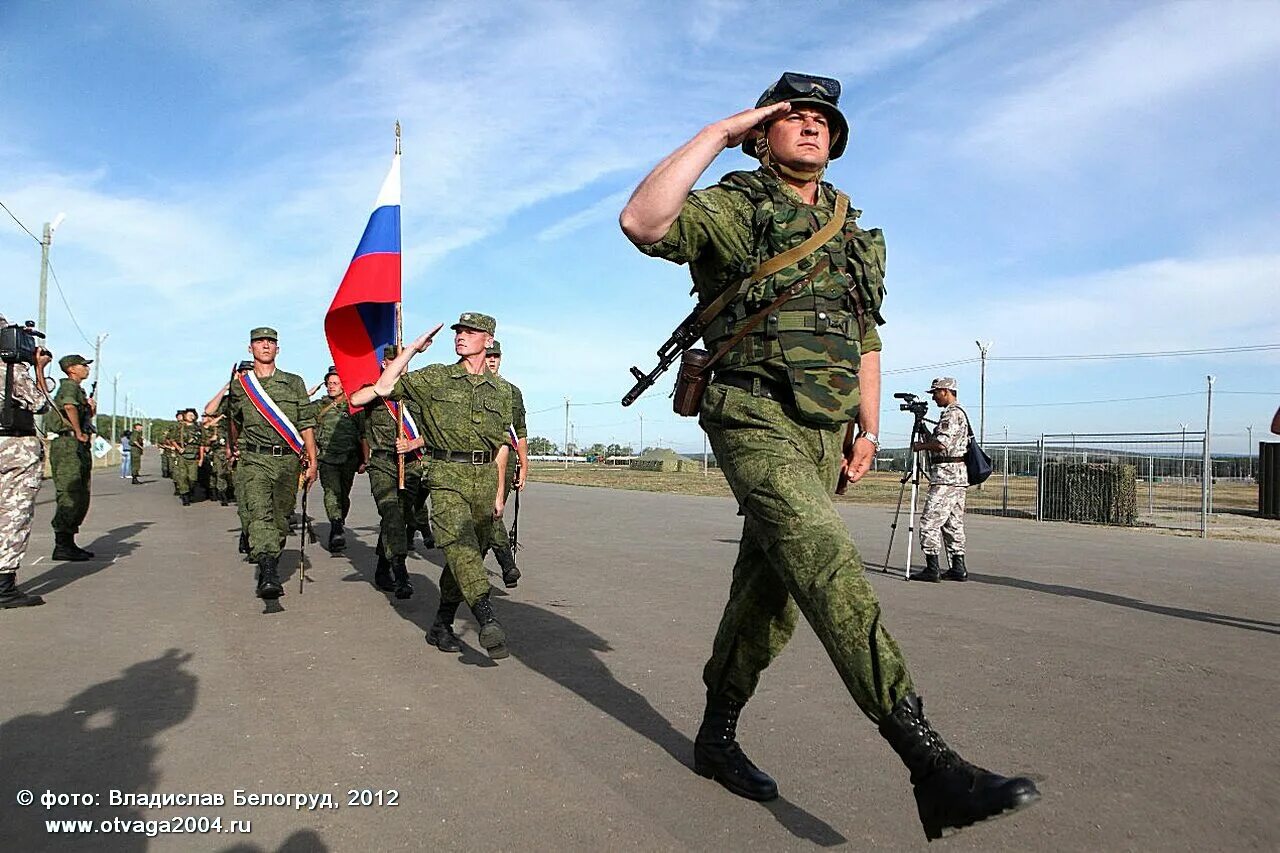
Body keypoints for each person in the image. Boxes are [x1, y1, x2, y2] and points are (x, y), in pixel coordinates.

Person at [618, 72, 1038, 839]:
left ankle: (715, 733)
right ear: (762, 132)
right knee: (823, 558)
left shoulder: (850, 228)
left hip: (823, 429)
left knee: (771, 592)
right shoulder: (734, 204)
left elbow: (865, 335)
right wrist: (717, 131)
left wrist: (868, 429)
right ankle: (928, 760)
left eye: (822, 120)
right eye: (792, 117)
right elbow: (644, 222)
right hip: (750, 409)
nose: (810, 127)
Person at [350, 313, 515, 660]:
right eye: (458, 332)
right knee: (459, 544)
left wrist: (500, 492)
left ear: (488, 340)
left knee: (468, 554)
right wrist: (411, 350)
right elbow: (381, 388)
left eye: (470, 332)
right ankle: (486, 617)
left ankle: (442, 622)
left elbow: (501, 446)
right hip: (445, 473)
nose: (461, 336)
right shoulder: (437, 377)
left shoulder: (504, 392)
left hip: (484, 478)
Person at [225, 327, 317, 599]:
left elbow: (306, 423)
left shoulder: (294, 382)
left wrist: (312, 460)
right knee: (259, 512)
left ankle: (270, 557)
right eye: (259, 342)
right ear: (250, 348)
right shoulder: (240, 385)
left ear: (278, 349)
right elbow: (234, 421)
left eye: (270, 342)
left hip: (287, 461)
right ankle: (268, 572)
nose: (265, 346)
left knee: (280, 518)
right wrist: (234, 449)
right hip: (254, 459)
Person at [356, 348, 425, 598]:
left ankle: (382, 568)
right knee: (391, 513)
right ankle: (400, 570)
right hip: (383, 464)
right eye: (394, 360)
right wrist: (380, 388)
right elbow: (354, 400)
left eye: (403, 359)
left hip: (411, 464)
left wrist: (414, 443)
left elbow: (434, 430)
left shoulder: (419, 391)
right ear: (384, 363)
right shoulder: (374, 390)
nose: (400, 365)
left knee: (401, 518)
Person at [0, 319, 51, 607]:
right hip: (13, 446)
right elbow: (40, 403)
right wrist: (38, 368)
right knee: (13, 515)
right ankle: (4, 587)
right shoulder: (11, 369)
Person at [911, 377, 971, 582]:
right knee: (953, 523)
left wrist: (920, 447)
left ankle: (932, 567)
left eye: (935, 393)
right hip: (957, 476)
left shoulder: (952, 414)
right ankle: (958, 566)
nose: (934, 397)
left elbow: (941, 445)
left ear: (945, 391)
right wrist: (923, 428)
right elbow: (939, 441)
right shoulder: (958, 413)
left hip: (946, 476)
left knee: (929, 521)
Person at [483, 340, 527, 588]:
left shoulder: (512, 391)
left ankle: (499, 563)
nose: (491, 360)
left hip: (506, 457)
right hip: (477, 457)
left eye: (495, 356)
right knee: (487, 511)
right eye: (488, 355)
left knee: (493, 510)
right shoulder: (471, 388)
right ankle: (506, 562)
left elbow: (520, 431)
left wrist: (524, 463)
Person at [44, 353, 96, 562]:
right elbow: (68, 406)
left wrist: (90, 410)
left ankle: (69, 542)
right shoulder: (69, 386)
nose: (87, 368)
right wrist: (78, 431)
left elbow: (79, 412)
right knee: (70, 492)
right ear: (72, 369)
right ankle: (63, 545)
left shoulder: (78, 389)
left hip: (75, 444)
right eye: (83, 365)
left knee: (80, 494)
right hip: (68, 444)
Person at [313, 367, 364, 552]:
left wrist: (364, 459)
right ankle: (335, 526)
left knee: (343, 494)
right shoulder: (320, 406)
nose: (331, 386)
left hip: (349, 458)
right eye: (329, 383)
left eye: (335, 383)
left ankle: (339, 521)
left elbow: (363, 434)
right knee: (331, 492)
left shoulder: (354, 405)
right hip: (327, 458)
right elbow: (301, 416)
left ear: (344, 384)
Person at [172, 408, 202, 506]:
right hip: (182, 456)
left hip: (194, 456)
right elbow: (172, 439)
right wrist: (178, 448)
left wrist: (201, 457)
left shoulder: (198, 428)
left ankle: (190, 491)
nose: (191, 417)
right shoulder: (180, 428)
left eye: (193, 415)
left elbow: (202, 443)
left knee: (193, 478)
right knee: (182, 476)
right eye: (189, 415)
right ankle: (185, 496)